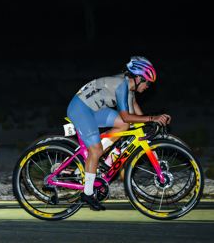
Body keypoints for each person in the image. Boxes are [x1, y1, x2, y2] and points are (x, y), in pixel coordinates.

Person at [67, 56, 171, 211]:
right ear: (138, 78)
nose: (148, 86)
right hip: (80, 109)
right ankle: (87, 194)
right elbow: (126, 115)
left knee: (124, 126)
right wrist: (152, 118)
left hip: (93, 109)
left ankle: (98, 156)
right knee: (96, 149)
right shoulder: (122, 86)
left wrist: (147, 125)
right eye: (147, 82)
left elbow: (133, 110)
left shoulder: (129, 89)